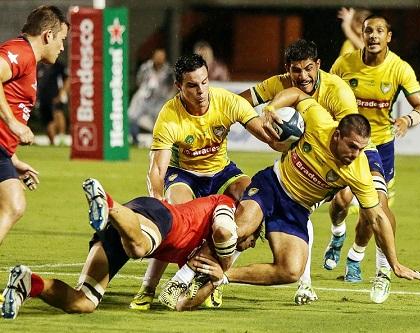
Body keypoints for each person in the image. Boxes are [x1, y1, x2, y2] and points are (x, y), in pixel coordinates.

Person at [208, 88, 420, 297]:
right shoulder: (318, 120)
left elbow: (377, 218)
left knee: (291, 271)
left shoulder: (358, 170)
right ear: (337, 135)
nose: (356, 154)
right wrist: (270, 108)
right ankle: (188, 273)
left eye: (362, 148)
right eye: (352, 146)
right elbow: (296, 94)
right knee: (241, 230)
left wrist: (395, 264)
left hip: (297, 209)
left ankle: (222, 276)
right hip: (272, 185)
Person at [128, 54, 276, 310]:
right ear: (179, 87)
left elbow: (265, 134)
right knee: (175, 220)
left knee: (253, 202)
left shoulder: (226, 101)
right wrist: (157, 200)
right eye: (192, 86)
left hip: (221, 172)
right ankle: (148, 287)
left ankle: (212, 281)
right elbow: (157, 168)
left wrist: (292, 141)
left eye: (204, 82)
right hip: (184, 174)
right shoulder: (170, 115)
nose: (201, 91)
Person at [0, 178, 261, 319]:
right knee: (138, 249)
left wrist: (216, 281)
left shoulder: (204, 258)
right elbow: (226, 232)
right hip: (156, 217)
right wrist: (226, 264)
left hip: (131, 228)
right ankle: (108, 202)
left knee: (84, 302)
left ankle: (28, 284)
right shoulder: (226, 206)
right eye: (250, 240)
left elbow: (176, 302)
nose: (246, 245)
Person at [239, 39, 358, 305]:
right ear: (287, 69)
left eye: (308, 69)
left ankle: (336, 234)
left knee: (338, 202)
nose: (302, 76)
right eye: (296, 70)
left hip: (330, 161)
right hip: (295, 155)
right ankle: (304, 284)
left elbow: (349, 136)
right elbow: (242, 102)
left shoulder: (338, 92)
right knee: (291, 208)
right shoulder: (279, 83)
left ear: (318, 65)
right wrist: (252, 124)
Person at [328, 14, 420, 303]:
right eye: (368, 30)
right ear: (362, 34)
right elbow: (327, 96)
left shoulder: (399, 69)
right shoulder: (345, 64)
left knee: (376, 211)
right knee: (340, 203)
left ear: (389, 36)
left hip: (379, 148)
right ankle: (337, 233)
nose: (373, 35)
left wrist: (408, 120)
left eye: (379, 31)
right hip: (345, 146)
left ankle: (377, 269)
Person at [0, 6, 68, 248]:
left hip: (2, 150)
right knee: (13, 204)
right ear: (48, 35)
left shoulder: (28, 59)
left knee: (14, 205)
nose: (62, 47)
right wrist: (14, 124)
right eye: (61, 40)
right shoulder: (21, 52)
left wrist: (12, 158)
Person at [128, 48, 176, 146]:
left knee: (159, 122)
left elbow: (173, 85)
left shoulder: (168, 71)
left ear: (164, 58)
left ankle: (158, 143)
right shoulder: (145, 67)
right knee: (132, 116)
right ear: (153, 57)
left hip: (158, 100)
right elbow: (139, 80)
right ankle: (135, 141)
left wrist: (168, 97)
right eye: (157, 56)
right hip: (143, 99)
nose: (159, 59)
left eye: (161, 57)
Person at [36, 58, 68, 145]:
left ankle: (62, 137)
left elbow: (67, 79)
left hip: (56, 95)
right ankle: (52, 142)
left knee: (58, 114)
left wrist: (62, 93)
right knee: (48, 120)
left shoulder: (58, 65)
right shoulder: (40, 66)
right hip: (43, 97)